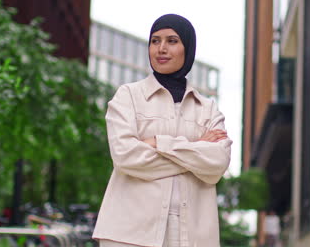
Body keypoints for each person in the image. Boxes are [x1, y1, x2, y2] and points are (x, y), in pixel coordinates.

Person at [92, 14, 233, 247]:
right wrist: (196, 151)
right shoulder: (128, 96)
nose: (162, 49)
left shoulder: (208, 109)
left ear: (188, 48)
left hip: (193, 237)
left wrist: (158, 142)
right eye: (155, 41)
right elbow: (126, 157)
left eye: (172, 41)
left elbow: (217, 163)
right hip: (129, 234)